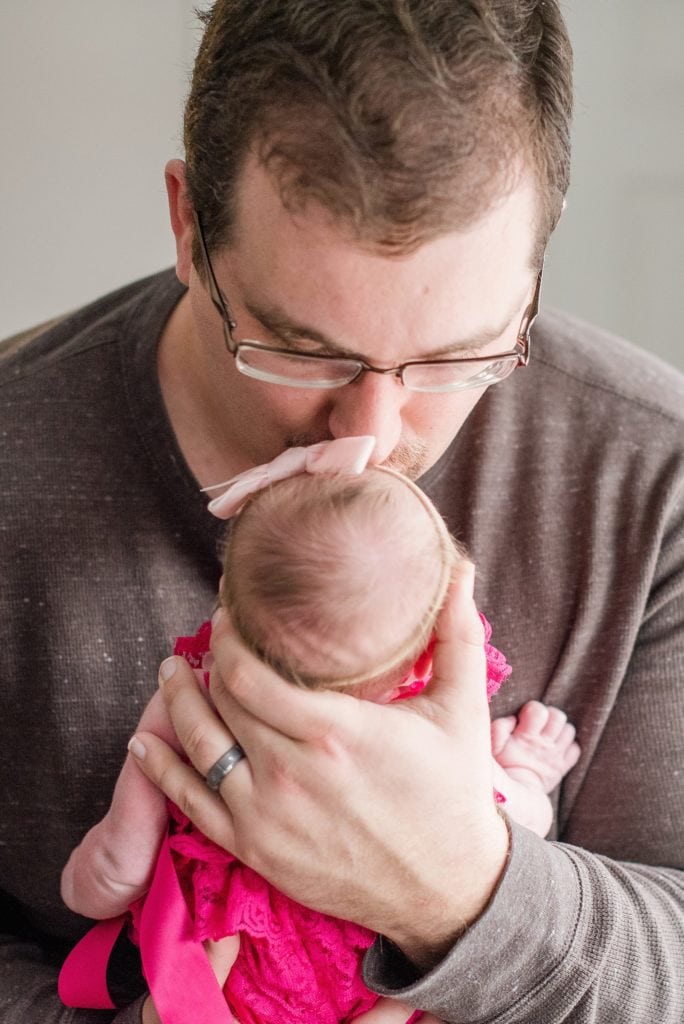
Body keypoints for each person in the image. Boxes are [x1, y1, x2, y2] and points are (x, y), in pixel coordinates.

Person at [0, 2, 682, 1022]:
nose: (374, 431)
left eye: (458, 357)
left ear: (533, 268)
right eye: (300, 347)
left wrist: (460, 886)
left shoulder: (655, 480)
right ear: (188, 225)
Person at [59, 439, 580, 1024]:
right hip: (368, 982)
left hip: (232, 979)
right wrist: (527, 771)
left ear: (227, 593)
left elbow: (118, 867)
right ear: (429, 653)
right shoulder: (429, 741)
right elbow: (516, 827)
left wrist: (88, 885)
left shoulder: (191, 695)